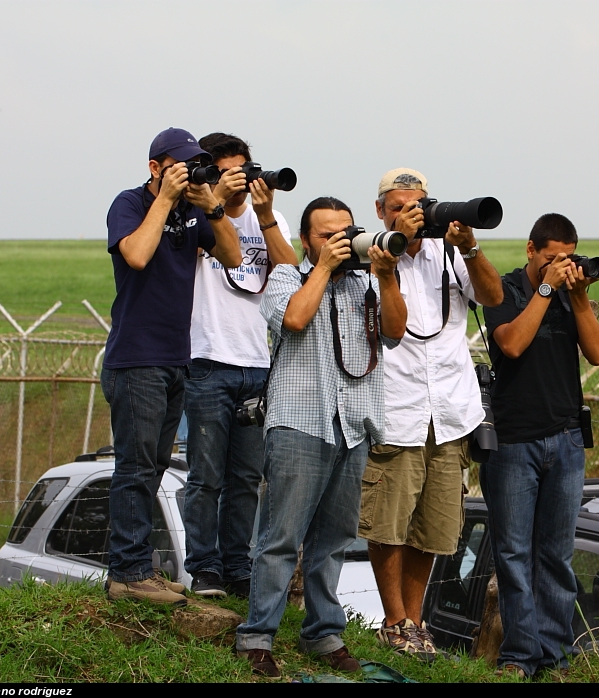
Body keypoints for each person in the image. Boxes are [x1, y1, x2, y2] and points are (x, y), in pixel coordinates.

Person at [234, 197, 407, 677]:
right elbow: (293, 319)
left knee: (333, 540)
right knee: (281, 538)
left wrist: (388, 276)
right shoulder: (287, 276)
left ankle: (324, 634)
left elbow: (395, 331)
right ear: (307, 240)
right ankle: (256, 638)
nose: (340, 241)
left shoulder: (369, 282)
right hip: (300, 421)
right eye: (327, 234)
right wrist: (324, 270)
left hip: (355, 424)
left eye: (346, 231)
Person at [359, 169, 503, 660]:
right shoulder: (372, 254)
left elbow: (492, 297)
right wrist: (390, 262)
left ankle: (415, 621)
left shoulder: (447, 253)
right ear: (381, 210)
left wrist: (469, 246)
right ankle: (393, 620)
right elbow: (393, 330)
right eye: (399, 206)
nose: (411, 214)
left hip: (450, 410)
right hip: (397, 409)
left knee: (433, 527)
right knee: (389, 523)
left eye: (419, 204)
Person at [101, 128, 241, 605]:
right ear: (155, 167)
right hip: (136, 359)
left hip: (174, 358)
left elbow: (233, 254)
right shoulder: (130, 203)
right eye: (181, 165)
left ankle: (140, 568)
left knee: (156, 465)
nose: (189, 172)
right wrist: (163, 200)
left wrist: (212, 204)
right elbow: (136, 255)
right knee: (135, 465)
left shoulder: (191, 212)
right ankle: (126, 573)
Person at [481, 213, 599, 678]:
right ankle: (519, 656)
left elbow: (597, 354)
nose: (561, 265)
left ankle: (554, 656)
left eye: (568, 259)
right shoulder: (505, 289)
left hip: (566, 438)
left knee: (556, 554)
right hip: (514, 441)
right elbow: (511, 344)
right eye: (552, 258)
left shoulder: (571, 296)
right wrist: (545, 289)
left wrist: (578, 297)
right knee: (514, 555)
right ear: (531, 250)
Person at [182, 133, 298, 598]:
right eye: (228, 171)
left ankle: (237, 566)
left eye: (245, 171)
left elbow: (292, 275)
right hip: (207, 356)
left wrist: (265, 215)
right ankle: (204, 567)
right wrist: (215, 202)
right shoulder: (193, 212)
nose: (240, 181)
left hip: (256, 360)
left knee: (247, 478)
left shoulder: (268, 217)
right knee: (205, 475)